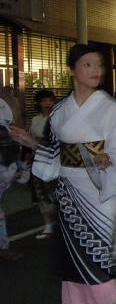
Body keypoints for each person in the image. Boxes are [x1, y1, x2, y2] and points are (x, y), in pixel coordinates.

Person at [10, 44, 116, 304]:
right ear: (72, 70)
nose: (96, 70)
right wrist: (30, 141)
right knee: (72, 260)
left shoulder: (109, 108)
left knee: (100, 257)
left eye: (99, 65)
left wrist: (106, 160)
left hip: (98, 193)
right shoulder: (60, 110)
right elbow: (54, 150)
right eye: (87, 64)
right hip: (69, 192)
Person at [29, 90, 58, 239]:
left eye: (50, 100)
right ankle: (48, 225)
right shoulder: (35, 119)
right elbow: (32, 139)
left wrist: (39, 140)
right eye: (44, 101)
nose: (48, 103)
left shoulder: (58, 118)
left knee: (56, 194)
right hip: (38, 161)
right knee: (41, 194)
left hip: (54, 161)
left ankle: (61, 225)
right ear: (39, 103)